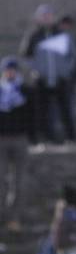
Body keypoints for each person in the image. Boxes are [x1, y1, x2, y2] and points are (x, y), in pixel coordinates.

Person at [19, 4, 76, 143]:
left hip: (61, 80)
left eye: (49, 15)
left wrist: (66, 71)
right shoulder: (34, 36)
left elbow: (73, 55)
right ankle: (45, 140)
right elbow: (25, 57)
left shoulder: (63, 35)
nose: (46, 18)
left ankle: (71, 139)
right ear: (38, 18)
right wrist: (35, 71)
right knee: (42, 112)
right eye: (43, 16)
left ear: (53, 18)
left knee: (66, 110)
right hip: (42, 80)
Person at [0, 56, 33, 232]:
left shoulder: (26, 92)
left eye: (13, 69)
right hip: (1, 139)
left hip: (20, 138)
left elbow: (33, 115)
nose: (10, 72)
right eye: (7, 69)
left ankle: (14, 218)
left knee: (19, 181)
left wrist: (34, 136)